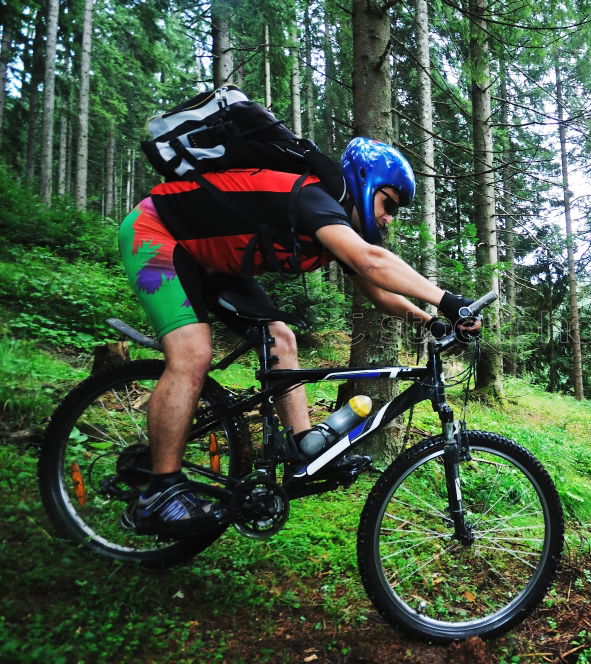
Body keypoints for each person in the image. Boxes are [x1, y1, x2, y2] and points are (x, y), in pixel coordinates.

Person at [117, 136, 476, 536]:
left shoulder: (332, 223)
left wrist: (427, 320)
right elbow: (372, 262)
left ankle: (301, 446)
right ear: (365, 183)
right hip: (158, 232)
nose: (390, 218)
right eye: (388, 204)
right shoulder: (313, 198)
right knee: (192, 354)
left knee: (280, 338)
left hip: (212, 262)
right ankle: (159, 494)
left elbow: (376, 291)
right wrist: (448, 300)